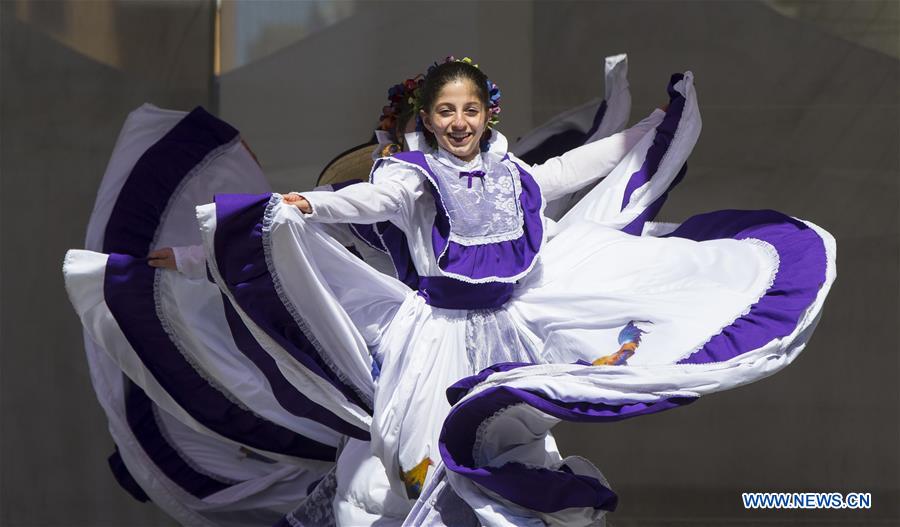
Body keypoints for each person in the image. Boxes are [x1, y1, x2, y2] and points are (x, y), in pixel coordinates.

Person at [64, 57, 835, 527]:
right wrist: (192, 252)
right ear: (420, 129)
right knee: (388, 484)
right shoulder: (393, 182)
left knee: (507, 455)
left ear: (479, 117)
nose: (451, 127)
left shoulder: (504, 177)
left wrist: (642, 136)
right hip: (391, 351)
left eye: (465, 112)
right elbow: (310, 237)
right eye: (436, 117)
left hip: (496, 335)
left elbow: (567, 173)